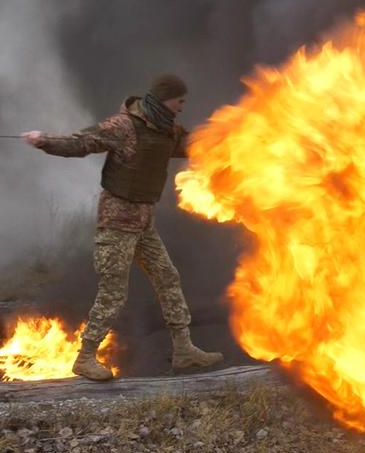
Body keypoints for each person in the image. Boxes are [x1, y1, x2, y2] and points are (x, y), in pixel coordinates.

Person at [22, 74, 224, 381]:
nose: (183, 106)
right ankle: (85, 357)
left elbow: (189, 144)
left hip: (143, 223)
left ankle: (184, 350)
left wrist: (231, 135)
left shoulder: (165, 129)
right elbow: (83, 142)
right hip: (117, 222)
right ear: (165, 98)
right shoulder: (124, 126)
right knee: (113, 292)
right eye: (180, 100)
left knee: (168, 278)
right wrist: (45, 141)